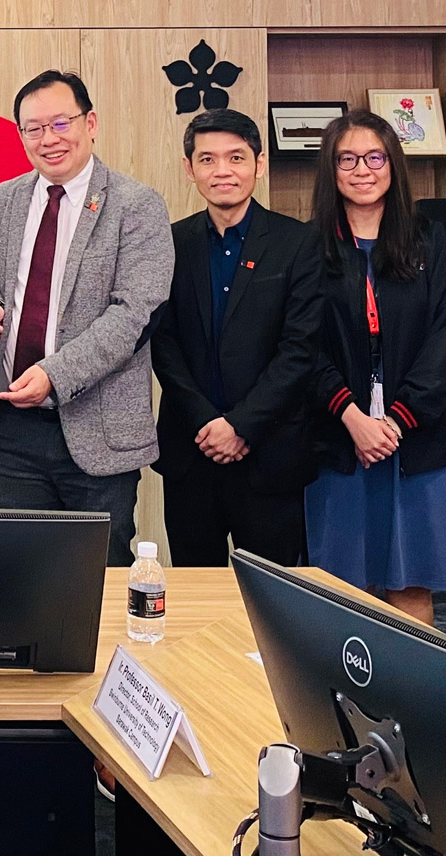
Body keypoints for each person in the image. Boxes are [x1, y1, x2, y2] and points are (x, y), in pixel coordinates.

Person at [0, 70, 173, 567]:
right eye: (34, 128)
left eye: (61, 123)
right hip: (10, 430)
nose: (48, 139)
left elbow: (134, 313)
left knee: (98, 576)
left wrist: (55, 375)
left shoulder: (136, 205)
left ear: (90, 123)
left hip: (98, 429)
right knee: (18, 573)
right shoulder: (3, 199)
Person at [306, 110, 446, 625]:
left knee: (411, 581)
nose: (363, 170)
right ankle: (340, 681)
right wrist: (353, 417)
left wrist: (397, 420)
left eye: (375, 157)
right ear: (331, 170)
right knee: (339, 587)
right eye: (347, 159)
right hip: (339, 441)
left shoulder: (433, 242)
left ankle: (410, 680)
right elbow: (301, 345)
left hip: (416, 441)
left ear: (393, 164)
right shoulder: (308, 248)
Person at [151, 109, 323, 567]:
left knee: (271, 595)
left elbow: (300, 349)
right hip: (192, 449)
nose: (222, 171)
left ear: (259, 164)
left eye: (236, 157)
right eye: (207, 159)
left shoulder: (298, 243)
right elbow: (163, 343)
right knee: (195, 590)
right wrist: (208, 422)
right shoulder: (170, 242)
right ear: (189, 169)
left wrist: (241, 425)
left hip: (270, 453)